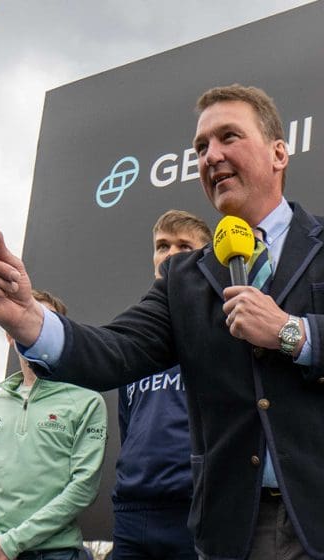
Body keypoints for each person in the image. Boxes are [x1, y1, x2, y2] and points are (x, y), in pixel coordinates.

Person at [0, 85, 324, 560]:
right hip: (232, 529)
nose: (211, 156)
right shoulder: (182, 278)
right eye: (201, 147)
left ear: (278, 152)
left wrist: (292, 332)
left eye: (229, 136)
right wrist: (27, 318)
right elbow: (114, 350)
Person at [0, 289, 107, 560]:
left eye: (46, 323)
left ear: (61, 335)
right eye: (24, 320)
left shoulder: (87, 401)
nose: (35, 330)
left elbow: (83, 487)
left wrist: (11, 543)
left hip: (54, 553)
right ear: (9, 334)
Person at [110, 210, 209, 560]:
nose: (170, 254)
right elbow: (128, 424)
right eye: (162, 246)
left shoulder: (223, 326)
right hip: (132, 511)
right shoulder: (136, 334)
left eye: (184, 246)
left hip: (196, 509)